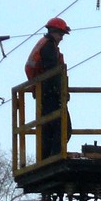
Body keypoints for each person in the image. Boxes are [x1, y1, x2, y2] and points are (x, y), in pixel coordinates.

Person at [25, 17, 71, 159]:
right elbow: (52, 72)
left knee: (48, 128)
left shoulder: (45, 45)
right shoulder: (49, 47)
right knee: (63, 127)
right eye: (61, 34)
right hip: (49, 92)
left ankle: (46, 157)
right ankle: (54, 156)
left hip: (43, 92)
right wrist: (61, 92)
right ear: (53, 32)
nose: (62, 38)